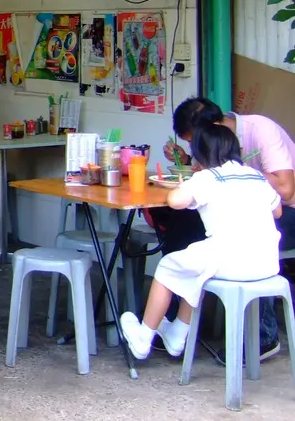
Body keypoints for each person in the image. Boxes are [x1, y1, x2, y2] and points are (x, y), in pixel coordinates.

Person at [121, 122, 282, 360]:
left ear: (201, 154)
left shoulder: (207, 177)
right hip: (266, 263)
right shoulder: (256, 175)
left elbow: (175, 201)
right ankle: (177, 333)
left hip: (229, 263)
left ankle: (143, 338)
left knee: (168, 266)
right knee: (194, 264)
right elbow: (277, 212)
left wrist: (186, 184)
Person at [153, 97, 295, 361]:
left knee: (250, 228)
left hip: (287, 210)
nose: (195, 147)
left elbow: (286, 190)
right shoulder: (219, 152)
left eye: (195, 142)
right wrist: (197, 163)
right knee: (183, 226)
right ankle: (172, 320)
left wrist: (235, 169)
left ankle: (263, 335)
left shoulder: (261, 130)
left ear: (214, 129)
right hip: (251, 206)